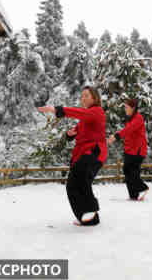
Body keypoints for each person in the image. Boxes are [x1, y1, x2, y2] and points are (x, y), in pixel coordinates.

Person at [37, 86, 107, 226]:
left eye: (86, 95)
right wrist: (70, 134)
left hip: (93, 152)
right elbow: (78, 129)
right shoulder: (85, 118)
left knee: (81, 181)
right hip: (82, 154)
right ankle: (85, 216)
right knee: (72, 185)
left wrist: (57, 110)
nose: (83, 98)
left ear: (95, 98)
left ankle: (91, 212)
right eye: (82, 96)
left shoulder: (97, 111)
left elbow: (81, 114)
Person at [108, 99, 149, 201]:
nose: (125, 109)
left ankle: (142, 188)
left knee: (133, 171)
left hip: (138, 150)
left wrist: (116, 136)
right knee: (127, 171)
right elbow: (128, 134)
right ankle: (133, 195)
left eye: (126, 107)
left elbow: (128, 130)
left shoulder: (138, 118)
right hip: (130, 150)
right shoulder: (130, 119)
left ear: (133, 108)